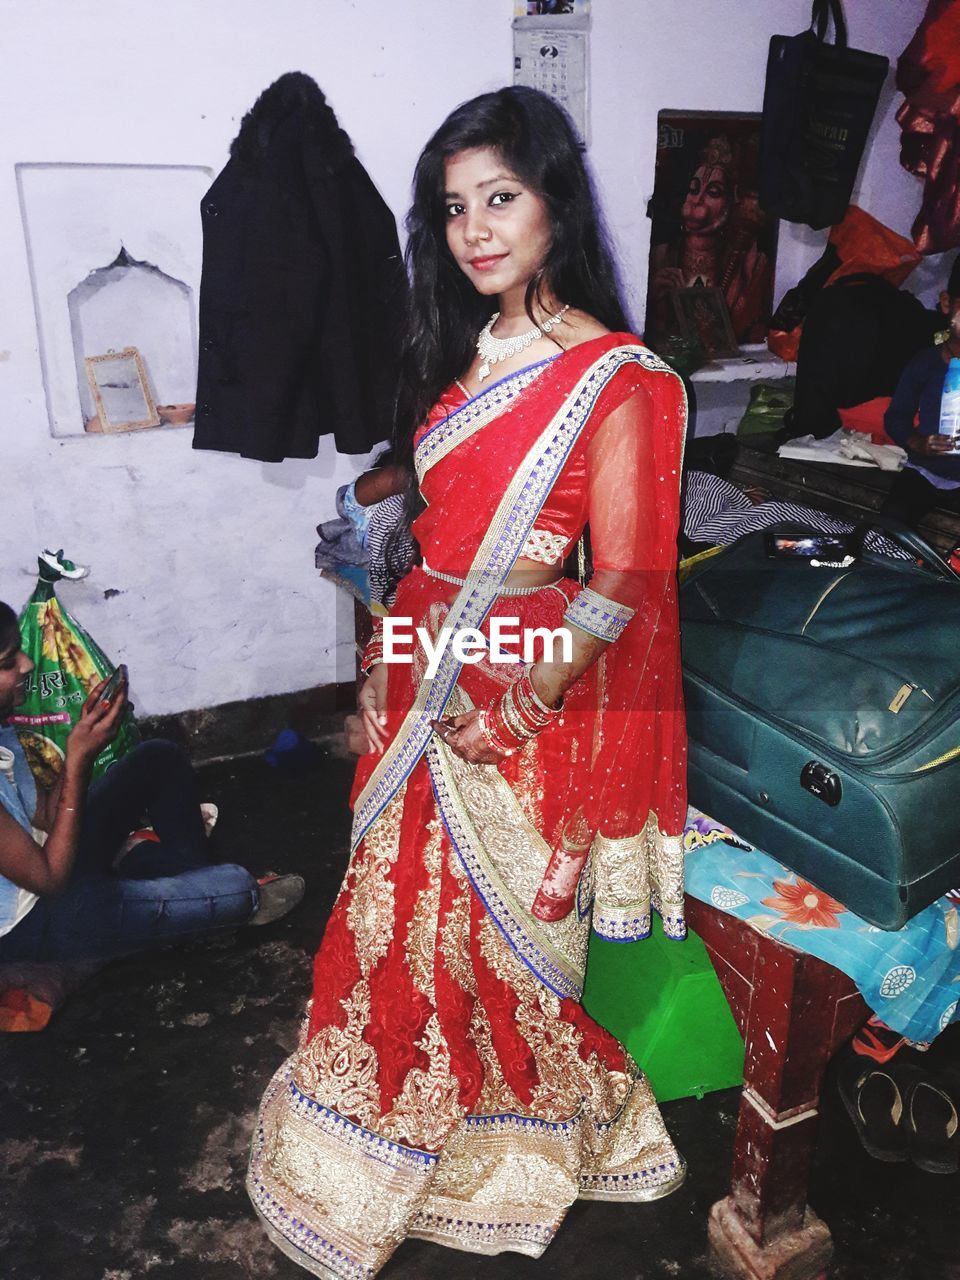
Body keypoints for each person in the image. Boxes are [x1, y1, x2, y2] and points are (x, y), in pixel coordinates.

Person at [247, 87, 688, 1278]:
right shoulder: (466, 349)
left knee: (507, 935)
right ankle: (396, 1118)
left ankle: (511, 1135)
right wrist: (385, 677)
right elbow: (437, 543)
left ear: (556, 203)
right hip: (424, 652)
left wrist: (523, 701)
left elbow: (622, 581)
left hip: (526, 682)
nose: (477, 229)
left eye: (502, 197)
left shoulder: (616, 373)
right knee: (399, 915)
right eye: (454, 208)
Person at [0, 601, 304, 964]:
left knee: (159, 757)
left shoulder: (4, 731)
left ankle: (183, 896)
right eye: (7, 662)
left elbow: (45, 819)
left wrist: (78, 743)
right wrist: (79, 761)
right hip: (35, 923)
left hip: (52, 864)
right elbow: (49, 880)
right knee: (241, 890)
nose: (26, 665)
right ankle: (195, 899)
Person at [647, 134, 773, 347]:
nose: (697, 200)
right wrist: (658, 307)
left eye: (713, 192)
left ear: (731, 202)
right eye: (694, 189)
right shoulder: (662, 256)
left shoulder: (752, 268)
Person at [881, 254, 960, 529]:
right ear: (947, 304)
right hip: (925, 471)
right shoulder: (925, 362)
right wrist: (918, 443)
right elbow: (896, 417)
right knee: (891, 524)